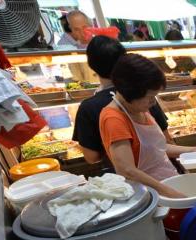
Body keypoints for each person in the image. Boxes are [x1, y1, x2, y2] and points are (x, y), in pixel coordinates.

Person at [99, 54, 196, 197]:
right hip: (149, 194)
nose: (153, 102)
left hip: (167, 181)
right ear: (129, 92)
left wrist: (193, 150)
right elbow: (127, 170)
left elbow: (157, 148)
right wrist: (168, 191)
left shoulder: (139, 108)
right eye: (149, 97)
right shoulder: (113, 119)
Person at [72, 36, 174, 166]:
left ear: (91, 65)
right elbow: (166, 140)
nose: (152, 102)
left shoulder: (89, 107)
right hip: (138, 179)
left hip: (139, 175)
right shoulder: (140, 93)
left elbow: (92, 157)